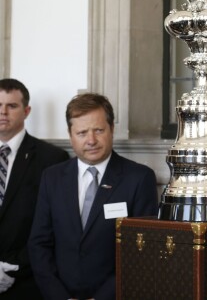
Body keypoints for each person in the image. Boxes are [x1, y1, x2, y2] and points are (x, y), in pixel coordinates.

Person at [28, 93, 158, 300]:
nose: (91, 140)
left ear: (111, 129)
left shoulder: (139, 178)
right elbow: (39, 244)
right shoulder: (52, 177)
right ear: (70, 135)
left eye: (99, 130)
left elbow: (141, 250)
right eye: (82, 133)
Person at [0, 79, 70, 299]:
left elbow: (53, 226)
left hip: (25, 282)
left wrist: (13, 268)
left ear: (26, 111)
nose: (3, 112)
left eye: (12, 106)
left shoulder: (52, 159)